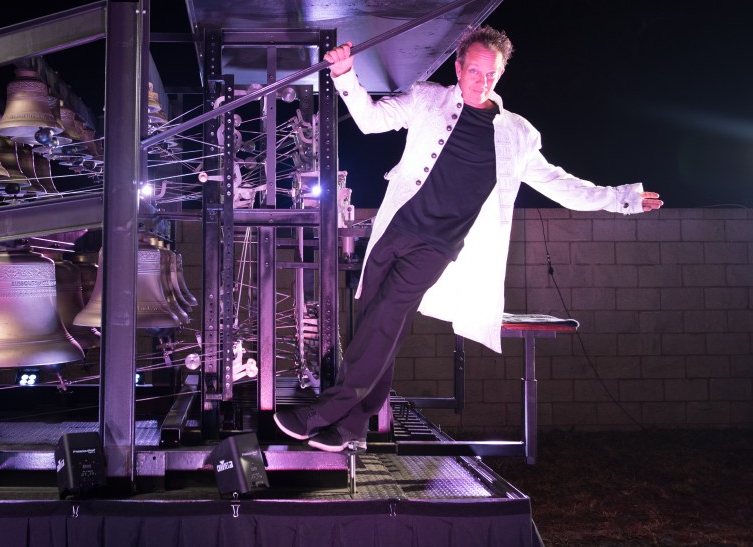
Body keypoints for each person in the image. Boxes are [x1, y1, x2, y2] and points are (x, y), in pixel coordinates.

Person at [274, 25, 663, 452]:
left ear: (501, 74)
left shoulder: (516, 134)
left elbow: (559, 184)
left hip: (435, 247)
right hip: (394, 229)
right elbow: (370, 121)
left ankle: (321, 414)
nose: (482, 80)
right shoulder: (427, 100)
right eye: (474, 71)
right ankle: (351, 430)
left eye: (490, 73)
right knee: (378, 329)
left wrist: (621, 199)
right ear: (458, 68)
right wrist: (344, 74)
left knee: (384, 320)